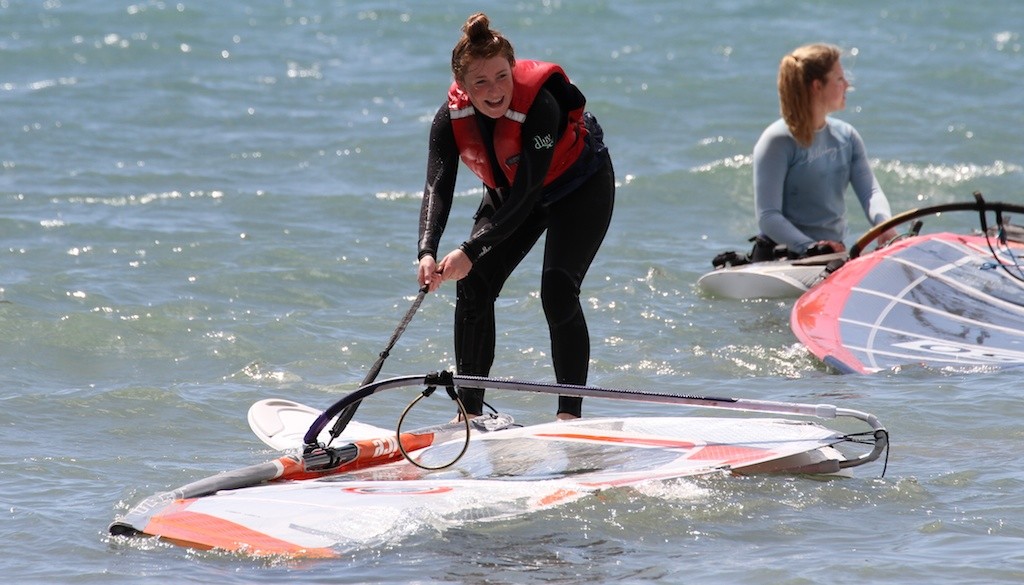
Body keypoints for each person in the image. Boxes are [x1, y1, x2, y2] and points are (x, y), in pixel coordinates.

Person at [416, 13, 615, 421]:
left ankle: (569, 416)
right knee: (472, 285)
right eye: (481, 82)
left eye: (502, 76)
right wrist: (427, 251)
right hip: (513, 195)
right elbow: (438, 187)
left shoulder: (539, 107)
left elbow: (527, 194)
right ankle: (470, 414)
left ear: (512, 69)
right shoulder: (448, 120)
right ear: (463, 87)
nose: (495, 91)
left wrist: (470, 249)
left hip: (579, 189)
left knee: (557, 291)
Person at [751, 43, 897, 262]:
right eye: (839, 79)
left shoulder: (846, 136)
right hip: (782, 258)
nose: (847, 85)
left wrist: (883, 225)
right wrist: (811, 248)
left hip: (831, 255)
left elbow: (871, 193)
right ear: (817, 86)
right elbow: (768, 216)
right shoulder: (778, 141)